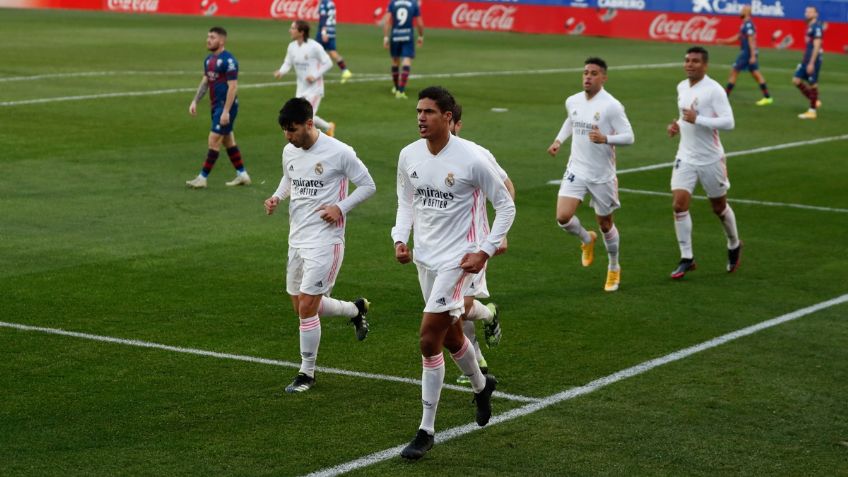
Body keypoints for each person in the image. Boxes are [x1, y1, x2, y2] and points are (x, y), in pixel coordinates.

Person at [392, 86, 515, 459]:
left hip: (458, 261)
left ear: (448, 118)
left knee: (429, 338)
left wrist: (485, 250)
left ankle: (426, 429)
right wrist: (400, 237)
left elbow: (506, 206)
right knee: (451, 335)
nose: (421, 118)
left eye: (429, 112)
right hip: (425, 259)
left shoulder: (472, 158)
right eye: (418, 111)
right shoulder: (408, 155)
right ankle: (481, 386)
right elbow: (406, 201)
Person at [264, 97, 376, 393]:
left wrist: (340, 207)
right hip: (296, 238)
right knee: (300, 305)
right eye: (285, 131)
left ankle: (306, 372)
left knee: (307, 307)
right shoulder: (290, 150)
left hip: (326, 239)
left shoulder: (340, 152)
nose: (288, 136)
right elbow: (289, 177)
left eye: (293, 129)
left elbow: (368, 185)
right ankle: (355, 310)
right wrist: (277, 196)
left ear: (310, 124)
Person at [547, 57, 634, 292]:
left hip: (602, 175)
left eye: (594, 73)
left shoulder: (612, 106)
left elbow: (629, 136)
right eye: (585, 72)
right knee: (563, 217)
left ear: (603, 77)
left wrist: (606, 138)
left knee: (605, 224)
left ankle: (614, 267)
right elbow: (571, 120)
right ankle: (587, 239)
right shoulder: (572, 101)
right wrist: (558, 141)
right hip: (576, 169)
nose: (588, 76)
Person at [448, 104, 514, 385]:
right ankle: (478, 361)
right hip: (441, 247)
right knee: (453, 309)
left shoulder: (476, 153)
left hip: (475, 243)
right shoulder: (421, 154)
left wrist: (499, 234)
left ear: (457, 124)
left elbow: (507, 187)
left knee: (461, 307)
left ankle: (488, 315)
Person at [666, 46, 741, 279]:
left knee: (718, 208)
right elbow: (684, 114)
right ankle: (687, 258)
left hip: (711, 159)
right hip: (685, 156)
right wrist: (678, 125)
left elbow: (729, 122)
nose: (689, 64)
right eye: (687, 60)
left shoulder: (714, 90)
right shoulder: (681, 86)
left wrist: (698, 119)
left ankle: (734, 243)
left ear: (705, 65)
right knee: (679, 205)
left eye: (695, 61)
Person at [187, 26, 251, 189]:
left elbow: (233, 87)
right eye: (208, 36)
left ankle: (202, 178)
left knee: (213, 141)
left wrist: (226, 111)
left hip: (225, 108)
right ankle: (242, 175)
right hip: (216, 106)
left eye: (213, 37)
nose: (208, 40)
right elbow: (205, 82)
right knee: (228, 141)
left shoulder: (229, 61)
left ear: (222, 41)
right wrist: (195, 100)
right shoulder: (209, 60)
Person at [275, 20, 337, 137]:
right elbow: (287, 63)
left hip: (315, 88)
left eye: (293, 28)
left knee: (307, 115)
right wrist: (281, 71)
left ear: (301, 32)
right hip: (301, 87)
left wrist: (314, 75)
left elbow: (328, 62)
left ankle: (313, 139)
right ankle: (329, 126)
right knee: (301, 114)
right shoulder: (291, 47)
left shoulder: (314, 46)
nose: (290, 30)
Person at [718, 5, 772, 106]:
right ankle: (767, 97)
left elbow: (751, 39)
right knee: (756, 74)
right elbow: (738, 37)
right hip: (749, 52)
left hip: (747, 53)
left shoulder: (748, 24)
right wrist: (725, 41)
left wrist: (752, 55)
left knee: (734, 71)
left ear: (747, 12)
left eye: (742, 10)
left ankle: (725, 97)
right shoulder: (745, 24)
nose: (740, 12)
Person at [383, 0, 424, 99]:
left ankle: (396, 88)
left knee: (395, 61)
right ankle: (401, 91)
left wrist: (385, 37)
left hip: (395, 35)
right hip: (408, 36)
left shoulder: (393, 3)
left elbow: (387, 20)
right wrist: (420, 36)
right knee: (407, 60)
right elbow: (419, 22)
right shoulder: (413, 3)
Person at [793, 6, 824, 119]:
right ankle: (814, 100)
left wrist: (811, 62)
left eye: (810, 12)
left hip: (813, 60)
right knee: (796, 80)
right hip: (807, 59)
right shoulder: (810, 26)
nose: (807, 13)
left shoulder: (816, 27)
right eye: (806, 11)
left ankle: (812, 111)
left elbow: (817, 45)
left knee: (813, 83)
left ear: (816, 14)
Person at [316, 0, 353, 84]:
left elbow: (323, 18)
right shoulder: (331, 2)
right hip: (331, 30)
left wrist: (323, 32)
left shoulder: (324, 3)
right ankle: (345, 70)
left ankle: (318, 72)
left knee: (316, 50)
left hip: (325, 31)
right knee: (332, 51)